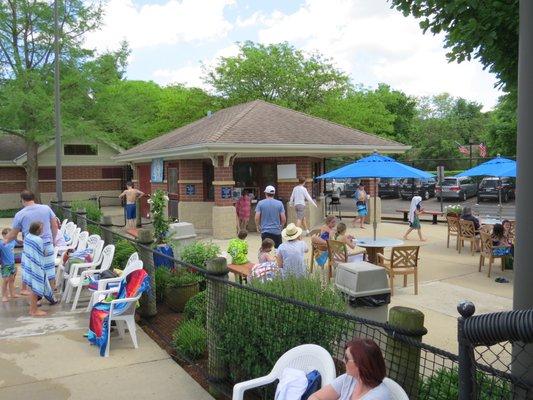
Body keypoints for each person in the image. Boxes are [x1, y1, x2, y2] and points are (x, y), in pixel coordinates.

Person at [4, 190, 59, 294]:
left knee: (34, 271)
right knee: (49, 268)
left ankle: (36, 298)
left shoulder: (20, 214)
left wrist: (5, 240)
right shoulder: (46, 208)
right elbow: (55, 225)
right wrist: (53, 239)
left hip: (31, 246)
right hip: (47, 243)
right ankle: (51, 292)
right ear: (34, 198)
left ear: (22, 200)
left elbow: (13, 234)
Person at [309, 338, 392, 400]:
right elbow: (315, 397)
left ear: (361, 364)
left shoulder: (378, 396)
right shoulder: (349, 379)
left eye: (346, 358)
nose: (343, 360)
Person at [22, 222, 56, 316]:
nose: (43, 230)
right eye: (41, 228)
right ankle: (33, 310)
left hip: (28, 265)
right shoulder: (38, 240)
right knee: (35, 289)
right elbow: (41, 253)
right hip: (35, 266)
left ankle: (33, 309)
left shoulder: (28, 236)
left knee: (32, 288)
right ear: (37, 230)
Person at [0, 228, 20, 302]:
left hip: (12, 264)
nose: (11, 236)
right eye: (9, 234)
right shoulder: (1, 243)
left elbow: (19, 242)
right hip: (5, 265)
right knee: (5, 280)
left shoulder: (13, 242)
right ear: (4, 235)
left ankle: (12, 294)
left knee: (12, 280)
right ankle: (4, 296)